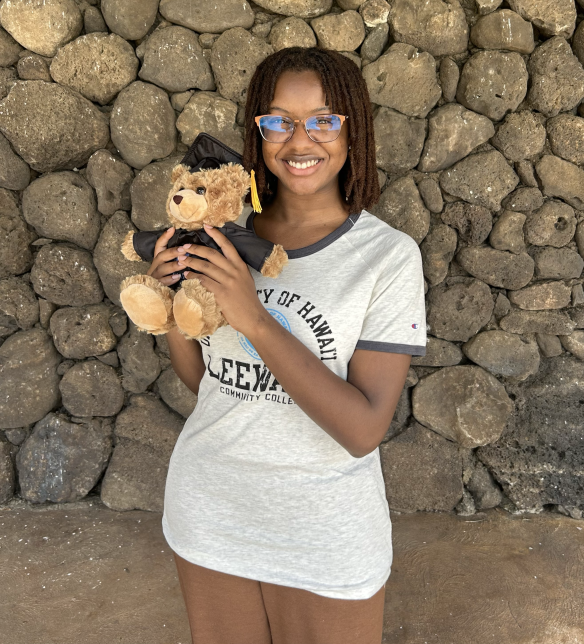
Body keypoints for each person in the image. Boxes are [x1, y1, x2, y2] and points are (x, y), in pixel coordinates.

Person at [146, 47, 427, 644]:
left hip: (326, 532)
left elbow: (363, 430)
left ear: (354, 130)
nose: (300, 141)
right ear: (258, 132)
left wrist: (258, 321)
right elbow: (210, 383)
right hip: (211, 509)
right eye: (278, 121)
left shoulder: (387, 258)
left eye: (324, 120)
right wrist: (173, 304)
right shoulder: (225, 234)